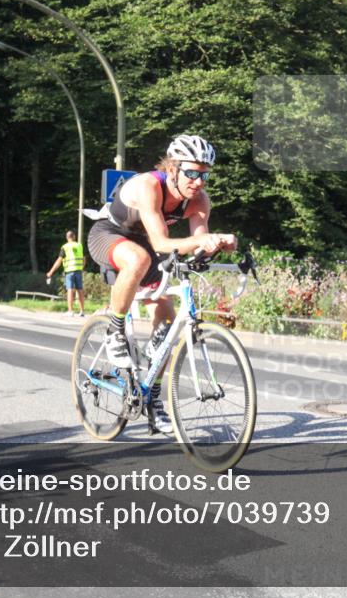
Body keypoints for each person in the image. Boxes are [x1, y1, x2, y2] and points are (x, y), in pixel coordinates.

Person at [86, 134, 237, 433]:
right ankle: (115, 331)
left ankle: (153, 397)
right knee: (139, 258)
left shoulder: (199, 200)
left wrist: (220, 243)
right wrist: (200, 240)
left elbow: (196, 247)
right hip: (109, 235)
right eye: (191, 173)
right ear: (172, 169)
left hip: (149, 248)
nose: (198, 181)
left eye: (204, 175)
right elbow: (160, 241)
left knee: (167, 319)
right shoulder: (148, 186)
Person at [46, 231, 87, 317]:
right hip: (78, 271)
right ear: (74, 236)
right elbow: (84, 258)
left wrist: (51, 272)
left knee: (70, 290)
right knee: (80, 290)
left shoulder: (65, 247)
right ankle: (82, 311)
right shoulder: (79, 245)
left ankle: (70, 311)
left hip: (69, 271)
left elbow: (59, 261)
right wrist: (81, 267)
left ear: (67, 237)